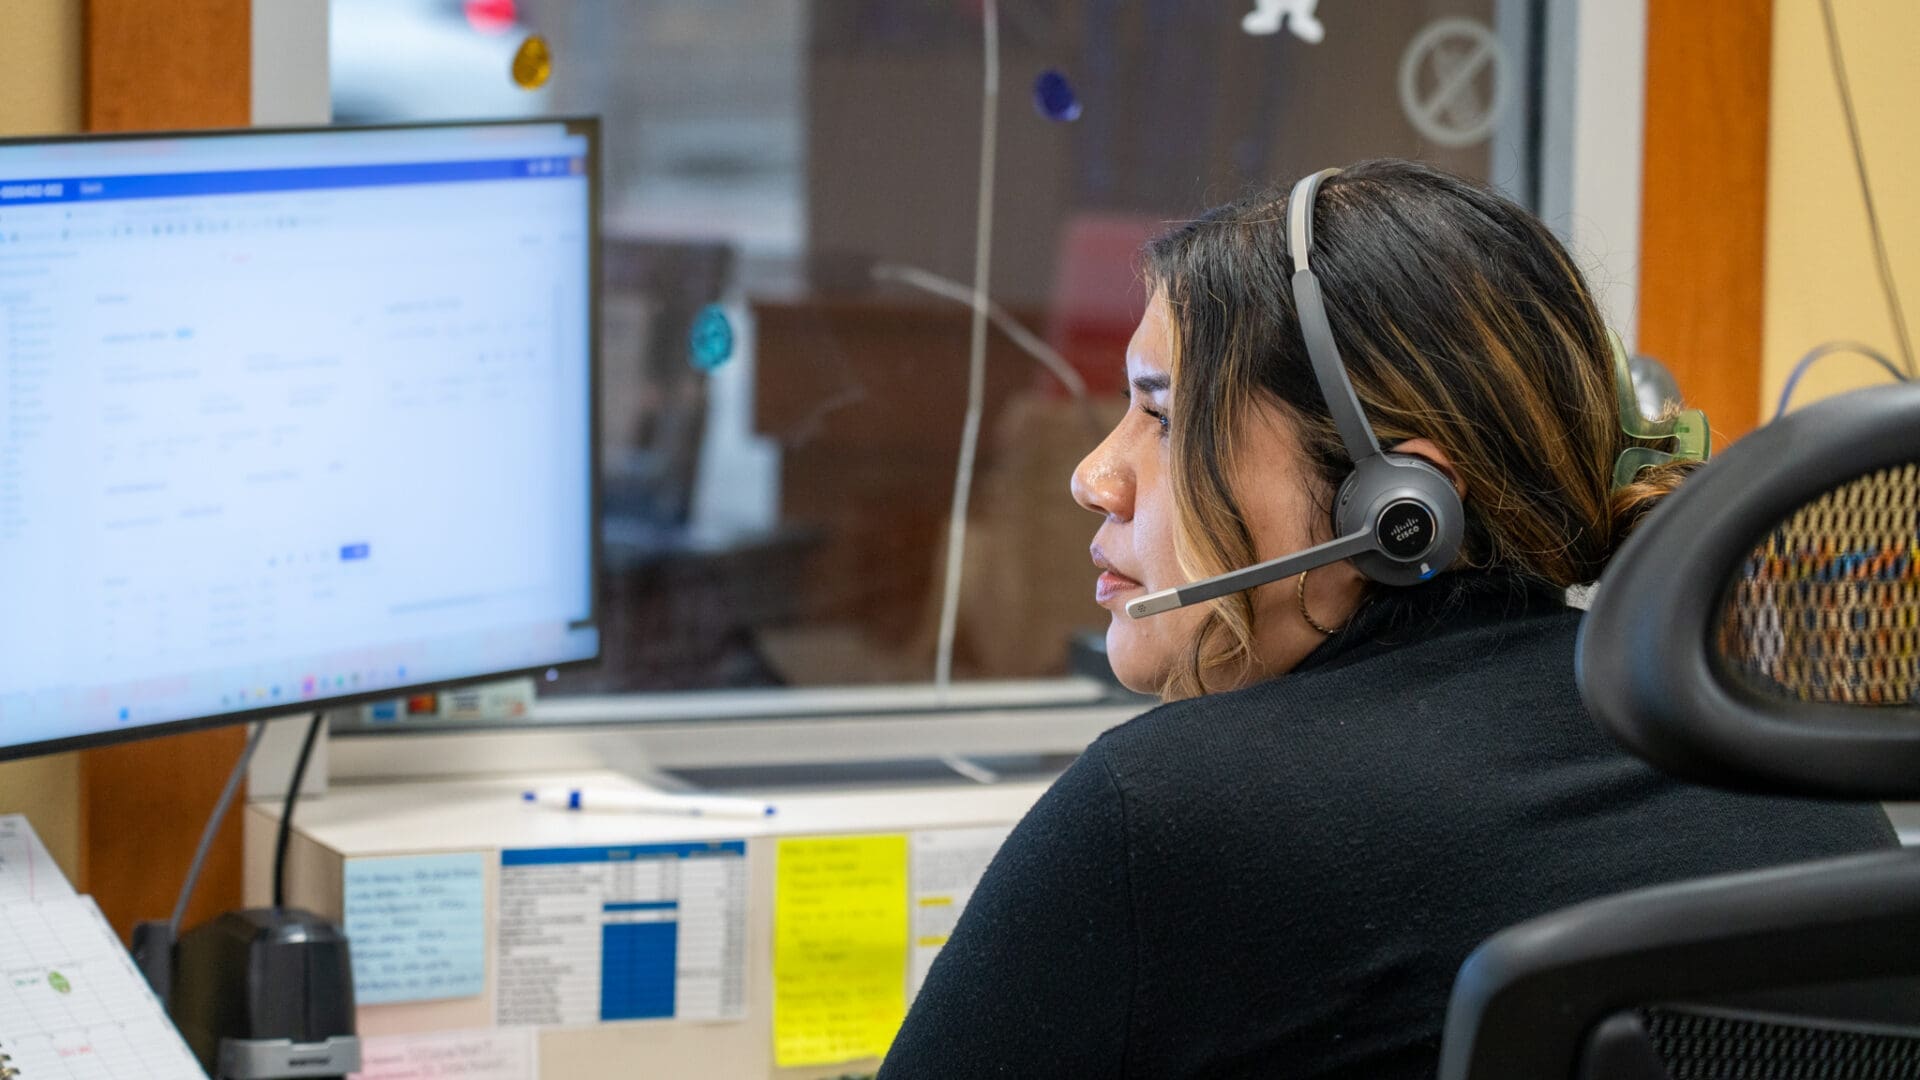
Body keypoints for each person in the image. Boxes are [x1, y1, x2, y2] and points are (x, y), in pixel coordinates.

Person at [876, 160, 1895, 1079]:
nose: (1092, 476)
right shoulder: (1804, 780)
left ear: (1396, 510)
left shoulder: (1168, 813)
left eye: (1162, 415)